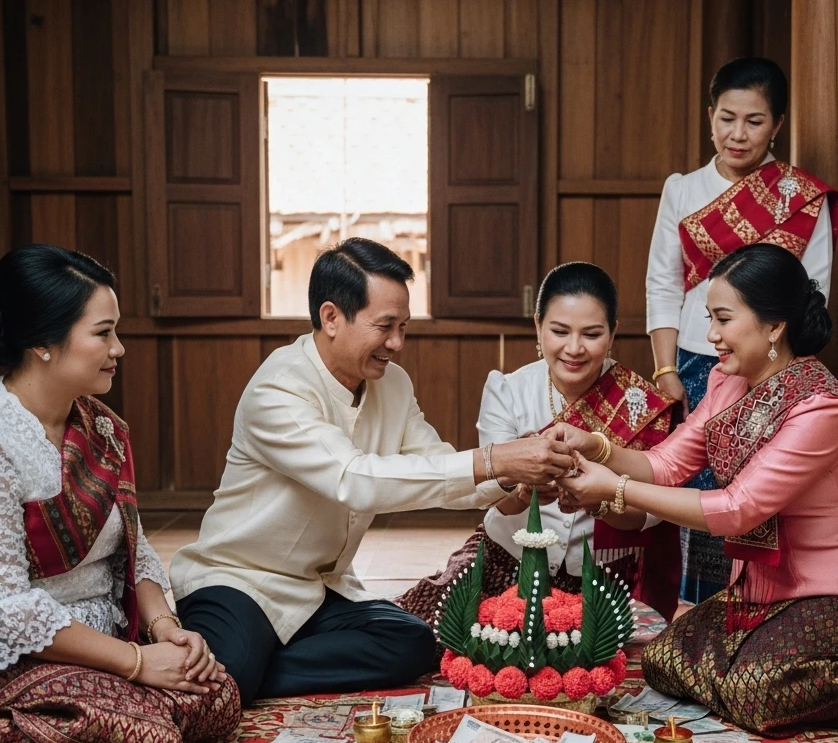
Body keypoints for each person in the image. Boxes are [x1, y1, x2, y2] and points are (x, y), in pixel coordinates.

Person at [170, 238, 575, 704]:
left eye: (403, 327)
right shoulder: (278, 388)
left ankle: (247, 668)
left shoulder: (392, 384)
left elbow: (436, 465)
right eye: (385, 327)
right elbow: (355, 481)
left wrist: (509, 482)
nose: (397, 344)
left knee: (413, 643)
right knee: (234, 665)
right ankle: (240, 664)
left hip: (319, 589)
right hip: (240, 580)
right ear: (331, 317)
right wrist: (494, 459)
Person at [0, 245, 238, 743]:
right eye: (104, 332)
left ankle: (92, 720)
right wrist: (137, 666)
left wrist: (165, 630)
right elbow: (3, 612)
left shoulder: (102, 426)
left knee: (214, 695)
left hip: (90, 644)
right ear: (43, 341)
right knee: (143, 737)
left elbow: (132, 556)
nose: (118, 349)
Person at [558, 246, 838, 735]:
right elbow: (667, 463)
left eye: (723, 319)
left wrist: (614, 488)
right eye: (710, 318)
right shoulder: (726, 381)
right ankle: (750, 667)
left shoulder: (819, 408)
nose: (711, 336)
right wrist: (596, 446)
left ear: (773, 326)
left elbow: (738, 509)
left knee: (754, 692)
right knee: (662, 660)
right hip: (761, 591)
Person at [646, 56, 838, 605]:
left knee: (761, 494)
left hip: (774, 365)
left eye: (754, 121)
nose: (737, 134)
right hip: (694, 359)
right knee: (698, 488)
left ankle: (760, 606)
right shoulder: (682, 189)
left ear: (778, 124)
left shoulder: (800, 197)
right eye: (726, 118)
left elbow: (813, 288)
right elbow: (662, 284)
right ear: (710, 116)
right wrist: (666, 370)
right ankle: (699, 609)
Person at [398, 262, 681, 626]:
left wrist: (600, 503)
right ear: (538, 326)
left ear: (613, 333)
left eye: (592, 334)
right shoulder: (508, 391)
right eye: (559, 331)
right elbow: (493, 494)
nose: (574, 349)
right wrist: (524, 490)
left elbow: (650, 515)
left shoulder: (641, 403)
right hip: (507, 562)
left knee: (583, 668)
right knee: (435, 633)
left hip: (603, 578)